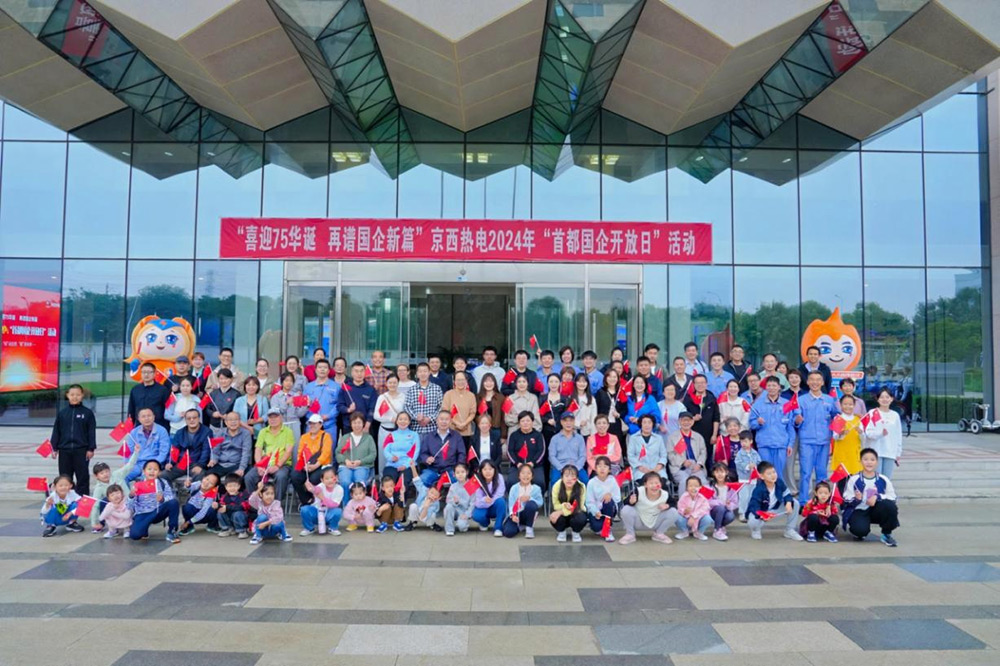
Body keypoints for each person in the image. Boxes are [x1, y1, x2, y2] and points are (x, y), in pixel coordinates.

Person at [841, 448, 899, 547]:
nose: (869, 462)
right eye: (866, 459)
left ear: (877, 462)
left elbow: (892, 497)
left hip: (876, 510)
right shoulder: (854, 479)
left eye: (872, 460)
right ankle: (860, 530)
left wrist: (878, 497)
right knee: (860, 531)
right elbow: (846, 499)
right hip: (859, 510)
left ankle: (886, 533)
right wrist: (856, 499)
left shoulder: (883, 479)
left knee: (889, 506)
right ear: (860, 461)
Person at [796, 371, 839, 501]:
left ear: (822, 382)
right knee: (805, 473)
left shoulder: (829, 400)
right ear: (808, 382)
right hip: (807, 441)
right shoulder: (801, 400)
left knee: (822, 473)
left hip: (824, 441)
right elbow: (795, 420)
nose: (815, 382)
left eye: (818, 380)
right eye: (812, 380)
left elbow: (836, 416)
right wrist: (797, 420)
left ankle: (822, 501)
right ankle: (803, 501)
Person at [50, 384, 97, 497]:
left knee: (82, 477)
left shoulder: (87, 413)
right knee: (65, 477)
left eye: (77, 395)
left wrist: (91, 448)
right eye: (72, 394)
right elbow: (56, 431)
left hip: (81, 450)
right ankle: (66, 500)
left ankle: (82, 501)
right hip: (64, 450)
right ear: (67, 395)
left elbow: (91, 432)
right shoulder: (62, 413)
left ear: (82, 396)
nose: (75, 397)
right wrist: (54, 447)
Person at [243, 408, 295, 502]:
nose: (273, 419)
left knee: (281, 477)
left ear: (281, 417)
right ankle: (255, 504)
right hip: (265, 463)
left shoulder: (288, 431)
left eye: (276, 417)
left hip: (282, 464)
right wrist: (259, 465)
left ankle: (276, 504)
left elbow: (288, 451)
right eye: (271, 417)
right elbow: (258, 449)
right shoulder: (263, 431)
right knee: (249, 477)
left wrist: (277, 465)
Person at [749, 377, 796, 481]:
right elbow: (751, 424)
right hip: (764, 445)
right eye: (769, 386)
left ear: (779, 387)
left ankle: (779, 492)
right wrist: (758, 422)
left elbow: (790, 426)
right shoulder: (758, 404)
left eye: (774, 385)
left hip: (781, 444)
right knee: (765, 474)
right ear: (765, 388)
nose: (771, 388)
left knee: (778, 475)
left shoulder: (786, 404)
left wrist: (790, 444)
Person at [745, 461, 802, 541]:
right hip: (762, 512)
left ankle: (789, 530)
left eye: (774, 472)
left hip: (775, 510)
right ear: (761, 476)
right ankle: (755, 530)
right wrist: (763, 515)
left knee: (795, 503)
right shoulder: (758, 489)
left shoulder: (779, 482)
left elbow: (787, 493)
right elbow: (754, 506)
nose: (773, 475)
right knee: (753, 520)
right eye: (769, 474)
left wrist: (788, 502)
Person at [619, 471, 680, 545]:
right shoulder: (638, 491)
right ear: (645, 484)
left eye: (657, 483)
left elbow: (674, 503)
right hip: (639, 521)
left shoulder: (665, 494)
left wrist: (667, 505)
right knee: (626, 509)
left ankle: (659, 534)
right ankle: (630, 534)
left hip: (656, 521)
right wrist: (631, 502)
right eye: (651, 483)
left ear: (661, 484)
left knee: (673, 512)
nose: (654, 486)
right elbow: (625, 503)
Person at [128, 460, 181, 543]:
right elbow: (130, 506)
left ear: (159, 472)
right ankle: (144, 530)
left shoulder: (163, 482)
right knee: (135, 535)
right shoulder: (137, 485)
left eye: (155, 469)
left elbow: (171, 496)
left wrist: (163, 499)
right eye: (149, 469)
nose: (152, 471)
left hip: (158, 511)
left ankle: (172, 531)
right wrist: (131, 496)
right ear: (144, 471)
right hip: (142, 514)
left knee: (174, 502)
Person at [89, 449, 140, 532]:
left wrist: (136, 452)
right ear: (96, 476)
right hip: (115, 506)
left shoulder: (117, 474)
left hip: (127, 502)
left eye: (106, 471)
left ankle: (131, 522)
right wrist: (94, 522)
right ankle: (106, 525)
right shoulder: (98, 488)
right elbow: (95, 504)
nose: (105, 474)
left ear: (110, 471)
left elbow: (129, 466)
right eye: (101, 473)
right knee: (103, 502)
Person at [290, 413, 334, 505]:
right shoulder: (304, 437)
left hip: (321, 465)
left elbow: (325, 453)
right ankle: (306, 500)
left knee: (314, 479)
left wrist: (315, 465)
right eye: (310, 423)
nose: (312, 425)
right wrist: (304, 465)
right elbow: (300, 453)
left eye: (314, 423)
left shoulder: (326, 436)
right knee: (295, 476)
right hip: (306, 464)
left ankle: (317, 500)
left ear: (320, 424)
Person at [416, 410, 465, 487]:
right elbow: (423, 453)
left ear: (451, 421)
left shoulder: (456, 436)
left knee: (459, 481)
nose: (444, 422)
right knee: (422, 481)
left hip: (451, 469)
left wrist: (458, 468)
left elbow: (462, 453)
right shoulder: (429, 436)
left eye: (447, 419)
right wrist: (427, 459)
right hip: (432, 469)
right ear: (437, 421)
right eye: (441, 419)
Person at [162, 409, 211, 485]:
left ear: (199, 418)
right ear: (185, 420)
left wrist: (200, 465)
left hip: (196, 463)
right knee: (163, 475)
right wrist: (170, 462)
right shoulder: (180, 432)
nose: (192, 420)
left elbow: (206, 451)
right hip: (182, 462)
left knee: (200, 475)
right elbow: (174, 449)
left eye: (194, 418)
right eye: (189, 418)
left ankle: (194, 492)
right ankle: (169, 492)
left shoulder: (207, 431)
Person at [864, 388, 903, 479]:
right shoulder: (872, 413)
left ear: (891, 399)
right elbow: (868, 432)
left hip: (890, 451)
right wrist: (880, 434)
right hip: (876, 451)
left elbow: (898, 435)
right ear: (877, 399)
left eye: (887, 397)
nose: (884, 399)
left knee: (886, 479)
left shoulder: (895, 415)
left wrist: (898, 452)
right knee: (876, 479)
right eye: (882, 397)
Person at [335, 411, 376, 495]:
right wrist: (346, 461)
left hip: (362, 466)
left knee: (359, 483)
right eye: (354, 423)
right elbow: (338, 453)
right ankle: (346, 503)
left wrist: (360, 462)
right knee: (345, 482)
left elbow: (373, 455)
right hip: (346, 466)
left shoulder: (368, 438)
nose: (357, 425)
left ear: (363, 423)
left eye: (359, 423)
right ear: (351, 424)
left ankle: (358, 503)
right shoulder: (345, 437)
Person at [125, 408, 171, 483]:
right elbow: (129, 452)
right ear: (139, 419)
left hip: (154, 463)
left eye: (149, 416)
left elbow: (164, 452)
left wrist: (153, 464)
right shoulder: (133, 432)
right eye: (143, 416)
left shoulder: (162, 431)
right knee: (122, 476)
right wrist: (127, 465)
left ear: (154, 417)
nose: (147, 418)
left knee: (146, 478)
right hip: (138, 464)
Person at [667, 411, 708, 488]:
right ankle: (684, 497)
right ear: (679, 421)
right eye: (683, 420)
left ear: (692, 422)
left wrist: (699, 464)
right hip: (679, 468)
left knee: (703, 482)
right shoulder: (672, 437)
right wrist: (682, 462)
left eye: (688, 420)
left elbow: (703, 452)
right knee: (685, 481)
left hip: (695, 466)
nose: (686, 422)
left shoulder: (698, 437)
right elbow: (670, 454)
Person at [501, 463, 542, 539]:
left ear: (532, 476)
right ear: (519, 476)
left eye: (528, 473)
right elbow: (511, 504)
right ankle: (521, 526)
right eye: (523, 473)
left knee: (531, 504)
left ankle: (529, 528)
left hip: (527, 513)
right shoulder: (514, 488)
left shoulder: (536, 489)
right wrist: (513, 515)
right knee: (508, 532)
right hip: (516, 513)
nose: (525, 475)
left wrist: (530, 498)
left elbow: (540, 502)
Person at [207, 411, 252, 480]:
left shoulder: (245, 434)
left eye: (236, 419)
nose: (233, 422)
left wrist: (241, 468)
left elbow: (246, 453)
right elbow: (215, 451)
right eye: (230, 420)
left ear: (239, 421)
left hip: (237, 464)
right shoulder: (220, 433)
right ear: (226, 422)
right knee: (208, 476)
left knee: (237, 479)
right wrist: (213, 460)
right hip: (221, 464)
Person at [506, 411, 546, 488]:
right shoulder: (514, 435)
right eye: (522, 421)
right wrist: (517, 463)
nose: (525, 423)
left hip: (534, 466)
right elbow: (509, 451)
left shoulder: (538, 435)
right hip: (517, 466)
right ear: (519, 423)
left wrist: (533, 463)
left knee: (539, 481)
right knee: (511, 481)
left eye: (528, 421)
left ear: (532, 422)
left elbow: (541, 451)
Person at [127, 362, 172, 431]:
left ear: (154, 374)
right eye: (144, 372)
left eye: (149, 372)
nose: (146, 374)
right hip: (140, 426)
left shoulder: (163, 390)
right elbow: (131, 409)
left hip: (159, 426)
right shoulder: (135, 389)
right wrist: (130, 425)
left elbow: (168, 409)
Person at [585, 455, 620, 542]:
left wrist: (610, 495)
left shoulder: (612, 481)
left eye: (605, 466)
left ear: (609, 469)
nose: (602, 469)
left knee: (608, 502)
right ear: (595, 468)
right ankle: (599, 527)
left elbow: (618, 498)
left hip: (609, 508)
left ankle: (607, 530)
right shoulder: (592, 482)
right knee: (596, 527)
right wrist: (595, 511)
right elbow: (589, 501)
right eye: (599, 466)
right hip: (596, 510)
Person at [299, 466, 343, 536]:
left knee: (338, 511)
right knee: (304, 509)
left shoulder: (339, 489)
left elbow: (334, 504)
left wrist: (322, 498)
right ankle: (309, 528)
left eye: (332, 477)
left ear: (336, 477)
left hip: (329, 513)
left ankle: (332, 528)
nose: (330, 480)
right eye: (327, 478)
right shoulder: (321, 486)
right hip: (317, 512)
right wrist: (311, 488)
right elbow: (316, 490)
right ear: (322, 480)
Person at [683, 374, 719, 457]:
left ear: (706, 384)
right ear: (694, 384)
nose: (700, 385)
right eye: (697, 383)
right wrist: (693, 418)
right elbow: (683, 417)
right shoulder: (688, 399)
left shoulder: (711, 398)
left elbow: (716, 418)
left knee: (708, 457)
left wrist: (714, 435)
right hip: (693, 434)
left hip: (709, 435)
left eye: (702, 383)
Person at [549, 465, 587, 542]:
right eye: (566, 476)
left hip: (576, 511)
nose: (569, 479)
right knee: (555, 516)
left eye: (573, 476)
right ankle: (561, 532)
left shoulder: (581, 487)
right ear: (562, 477)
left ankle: (576, 532)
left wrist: (562, 512)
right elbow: (555, 505)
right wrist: (564, 506)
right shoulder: (556, 486)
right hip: (561, 510)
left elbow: (580, 506)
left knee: (581, 518)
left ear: (577, 478)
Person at [548, 412, 588, 486]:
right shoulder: (555, 438)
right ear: (561, 422)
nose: (568, 423)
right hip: (560, 467)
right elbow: (552, 456)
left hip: (576, 466)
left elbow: (583, 456)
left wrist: (576, 468)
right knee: (555, 481)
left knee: (585, 480)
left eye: (571, 420)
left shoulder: (579, 438)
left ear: (574, 422)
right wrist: (561, 468)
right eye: (565, 421)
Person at [305, 359, 341, 440]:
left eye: (325, 367)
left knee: (329, 447)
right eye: (320, 367)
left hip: (329, 425)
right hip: (312, 425)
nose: (322, 369)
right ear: (315, 370)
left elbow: (338, 405)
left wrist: (328, 416)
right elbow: (303, 405)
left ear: (329, 370)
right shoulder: (308, 387)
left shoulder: (336, 386)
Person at [337, 362, 377, 436]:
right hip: (348, 426)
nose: (359, 374)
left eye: (361, 371)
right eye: (356, 371)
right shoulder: (345, 388)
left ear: (365, 373)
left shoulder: (370, 389)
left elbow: (372, 409)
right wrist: (348, 409)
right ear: (352, 373)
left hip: (365, 426)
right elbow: (339, 406)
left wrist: (367, 425)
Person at [405, 363, 444, 435]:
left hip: (433, 429)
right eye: (420, 371)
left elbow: (441, 406)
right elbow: (407, 407)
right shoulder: (411, 390)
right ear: (417, 374)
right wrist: (416, 417)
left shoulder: (437, 388)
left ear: (429, 373)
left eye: (425, 371)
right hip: (416, 430)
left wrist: (430, 418)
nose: (423, 374)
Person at [470, 460, 506, 537]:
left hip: (494, 505)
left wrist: (491, 500)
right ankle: (485, 523)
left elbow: (500, 494)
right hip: (482, 505)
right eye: (485, 469)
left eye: (490, 469)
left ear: (494, 470)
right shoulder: (476, 480)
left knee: (501, 502)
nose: (488, 472)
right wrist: (484, 500)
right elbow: (477, 500)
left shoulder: (499, 477)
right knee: (476, 516)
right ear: (481, 471)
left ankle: (498, 528)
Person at [830, 395, 864, 476]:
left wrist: (861, 432)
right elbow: (835, 437)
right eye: (845, 404)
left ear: (854, 405)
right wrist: (841, 433)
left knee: (855, 480)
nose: (848, 406)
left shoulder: (858, 420)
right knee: (841, 481)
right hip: (841, 455)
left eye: (850, 404)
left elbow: (863, 439)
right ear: (841, 405)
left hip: (854, 456)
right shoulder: (838, 419)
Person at [628, 414, 668, 482]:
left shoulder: (659, 438)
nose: (647, 425)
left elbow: (663, 455)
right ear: (641, 424)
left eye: (649, 422)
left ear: (653, 424)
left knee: (661, 483)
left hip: (658, 470)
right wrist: (641, 467)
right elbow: (631, 456)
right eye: (644, 422)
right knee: (644, 483)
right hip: (640, 471)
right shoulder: (633, 438)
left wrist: (658, 467)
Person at [374, 374, 406, 458]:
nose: (392, 385)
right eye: (390, 382)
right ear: (386, 384)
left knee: (398, 455)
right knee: (384, 455)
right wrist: (390, 419)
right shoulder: (382, 397)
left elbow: (406, 413)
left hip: (399, 431)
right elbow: (376, 415)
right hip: (385, 431)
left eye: (394, 382)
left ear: (398, 383)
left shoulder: (403, 397)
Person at [270, 371, 309, 442]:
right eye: (286, 380)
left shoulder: (296, 396)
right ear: (282, 382)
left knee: (295, 445)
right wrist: (286, 403)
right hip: (280, 425)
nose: (288, 383)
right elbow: (276, 413)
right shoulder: (275, 397)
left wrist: (306, 407)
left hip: (295, 424)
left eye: (291, 381)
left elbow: (299, 414)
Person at [382, 411, 419, 485]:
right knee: (389, 482)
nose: (403, 421)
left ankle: (402, 493)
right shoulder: (391, 435)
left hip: (408, 465)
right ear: (397, 421)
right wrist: (391, 458)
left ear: (409, 422)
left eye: (405, 419)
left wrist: (405, 465)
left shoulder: (414, 435)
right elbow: (385, 450)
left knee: (403, 482)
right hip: (392, 465)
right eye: (400, 419)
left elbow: (415, 452)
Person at [442, 371, 477, 446]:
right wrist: (457, 423)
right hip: (451, 430)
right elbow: (445, 412)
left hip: (467, 431)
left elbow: (472, 413)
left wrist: (464, 424)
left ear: (466, 381)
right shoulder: (448, 394)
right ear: (454, 381)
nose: (460, 382)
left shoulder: (471, 395)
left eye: (462, 380)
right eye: (458, 380)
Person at [407, 461, 444, 531]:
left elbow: (422, 518)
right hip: (418, 511)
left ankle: (432, 524)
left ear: (438, 498)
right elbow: (417, 481)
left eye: (435, 495)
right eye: (431, 492)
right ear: (428, 490)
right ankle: (413, 522)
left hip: (426, 515)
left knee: (433, 515)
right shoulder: (424, 490)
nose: (432, 495)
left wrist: (426, 506)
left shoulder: (435, 504)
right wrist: (413, 468)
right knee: (413, 506)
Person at [706, 462, 738, 540]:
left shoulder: (731, 487)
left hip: (726, 510)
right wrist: (720, 503)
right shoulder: (709, 486)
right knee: (720, 508)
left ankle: (720, 526)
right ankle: (717, 530)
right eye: (717, 472)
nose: (720, 474)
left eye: (722, 472)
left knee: (730, 516)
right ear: (713, 473)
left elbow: (735, 503)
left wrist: (729, 504)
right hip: (713, 511)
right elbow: (707, 501)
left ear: (726, 472)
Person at [675, 476, 712, 541]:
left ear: (700, 487)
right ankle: (684, 532)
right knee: (676, 516)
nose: (693, 488)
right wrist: (685, 511)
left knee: (708, 518)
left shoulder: (702, 497)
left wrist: (694, 516)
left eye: (696, 486)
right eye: (690, 486)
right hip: (686, 520)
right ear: (687, 488)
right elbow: (680, 507)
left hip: (698, 519)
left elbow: (705, 508)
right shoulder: (684, 496)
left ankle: (699, 533)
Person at [595, 369, 627, 443]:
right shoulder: (600, 392)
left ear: (618, 379)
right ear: (605, 378)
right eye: (609, 377)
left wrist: (619, 414)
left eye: (614, 377)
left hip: (616, 425)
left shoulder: (621, 392)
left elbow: (625, 409)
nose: (612, 379)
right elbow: (596, 409)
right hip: (603, 425)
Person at [734, 430, 761, 517]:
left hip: (753, 479)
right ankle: (742, 512)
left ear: (751, 441)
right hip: (744, 479)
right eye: (741, 441)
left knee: (752, 496)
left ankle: (750, 512)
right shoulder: (740, 454)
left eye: (745, 441)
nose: (743, 444)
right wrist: (747, 466)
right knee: (744, 497)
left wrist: (755, 466)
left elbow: (759, 462)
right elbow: (738, 463)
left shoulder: (755, 453)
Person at [443, 462, 475, 536]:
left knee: (462, 527)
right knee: (449, 507)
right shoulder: (453, 486)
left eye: (462, 472)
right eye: (457, 472)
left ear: (467, 472)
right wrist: (455, 502)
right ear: (454, 474)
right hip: (455, 509)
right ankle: (449, 529)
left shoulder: (470, 485)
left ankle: (463, 523)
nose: (460, 474)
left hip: (464, 511)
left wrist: (467, 514)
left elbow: (473, 503)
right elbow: (448, 500)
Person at [217, 473, 251, 538]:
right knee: (220, 512)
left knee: (238, 514)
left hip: (241, 518)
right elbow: (222, 505)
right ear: (226, 487)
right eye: (229, 486)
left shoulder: (244, 495)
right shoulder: (224, 497)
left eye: (235, 486)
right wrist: (218, 506)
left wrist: (227, 507)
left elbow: (243, 507)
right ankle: (227, 529)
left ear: (239, 486)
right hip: (230, 518)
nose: (232, 488)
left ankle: (242, 530)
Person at [476, 373, 507, 440]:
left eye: (491, 381)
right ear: (482, 383)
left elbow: (503, 417)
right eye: (486, 381)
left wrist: (503, 435)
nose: (488, 383)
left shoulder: (501, 398)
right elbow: (475, 415)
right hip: (481, 429)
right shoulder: (478, 397)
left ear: (495, 383)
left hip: (496, 430)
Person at [540, 374, 569, 445]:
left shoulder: (565, 399)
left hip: (561, 431)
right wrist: (547, 420)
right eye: (551, 381)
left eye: (556, 381)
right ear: (547, 383)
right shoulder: (542, 398)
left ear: (560, 383)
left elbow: (567, 415)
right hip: (546, 430)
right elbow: (538, 414)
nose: (553, 384)